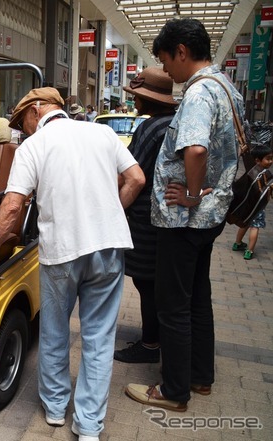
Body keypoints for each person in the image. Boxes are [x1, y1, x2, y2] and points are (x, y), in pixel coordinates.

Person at [0, 87, 144, 440]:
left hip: (62, 252)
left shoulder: (34, 146)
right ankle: (89, 427)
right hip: (108, 247)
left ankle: (56, 408)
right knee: (99, 338)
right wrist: (110, 213)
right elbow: (136, 178)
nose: (23, 130)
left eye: (22, 121)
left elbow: (12, 206)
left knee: (55, 332)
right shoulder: (102, 133)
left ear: (37, 110)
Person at [125, 18, 244, 412]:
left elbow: (195, 149)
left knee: (172, 303)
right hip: (209, 218)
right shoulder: (227, 88)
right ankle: (200, 376)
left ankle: (173, 391)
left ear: (181, 51)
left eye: (165, 61)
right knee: (197, 299)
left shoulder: (197, 93)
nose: (168, 72)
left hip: (184, 219)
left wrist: (191, 195)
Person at [114, 67, 178, 364]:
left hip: (145, 216)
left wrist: (115, 208)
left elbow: (134, 176)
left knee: (146, 282)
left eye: (137, 95)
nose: (134, 100)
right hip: (167, 215)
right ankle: (156, 338)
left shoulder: (150, 128)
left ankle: (151, 344)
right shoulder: (174, 123)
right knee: (155, 282)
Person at [231, 142, 273, 260]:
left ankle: (237, 243)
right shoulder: (266, 174)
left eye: (271, 159)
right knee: (255, 227)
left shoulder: (251, 171)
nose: (270, 162)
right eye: (268, 159)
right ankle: (249, 250)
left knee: (244, 223)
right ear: (257, 160)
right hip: (258, 206)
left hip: (247, 205)